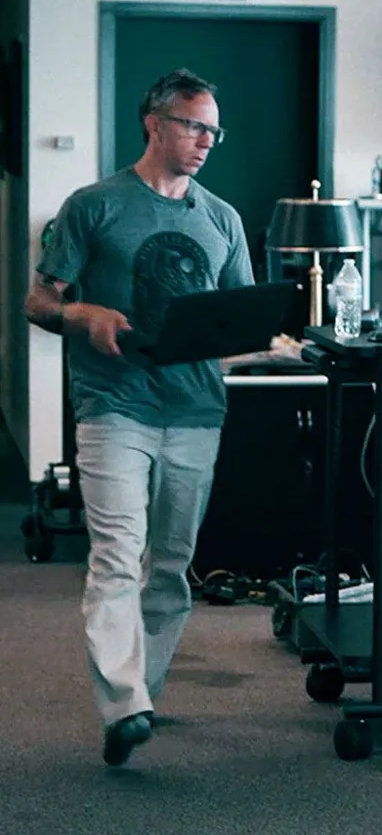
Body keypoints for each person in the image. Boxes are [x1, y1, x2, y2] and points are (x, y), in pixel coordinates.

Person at [24, 68, 253, 766]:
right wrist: (80, 313)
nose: (206, 141)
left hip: (195, 410)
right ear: (155, 123)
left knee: (171, 563)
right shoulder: (94, 206)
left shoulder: (222, 219)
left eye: (214, 129)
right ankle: (121, 703)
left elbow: (241, 317)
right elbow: (38, 303)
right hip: (114, 406)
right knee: (118, 554)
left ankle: (142, 695)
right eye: (194, 125)